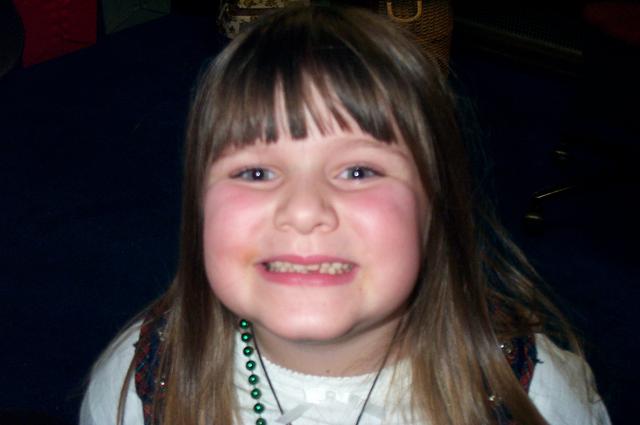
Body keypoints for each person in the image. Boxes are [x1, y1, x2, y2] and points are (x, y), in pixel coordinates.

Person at [80, 5, 611, 425]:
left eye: (358, 171)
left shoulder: (535, 395)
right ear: (198, 208)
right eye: (256, 172)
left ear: (436, 205)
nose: (303, 211)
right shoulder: (139, 382)